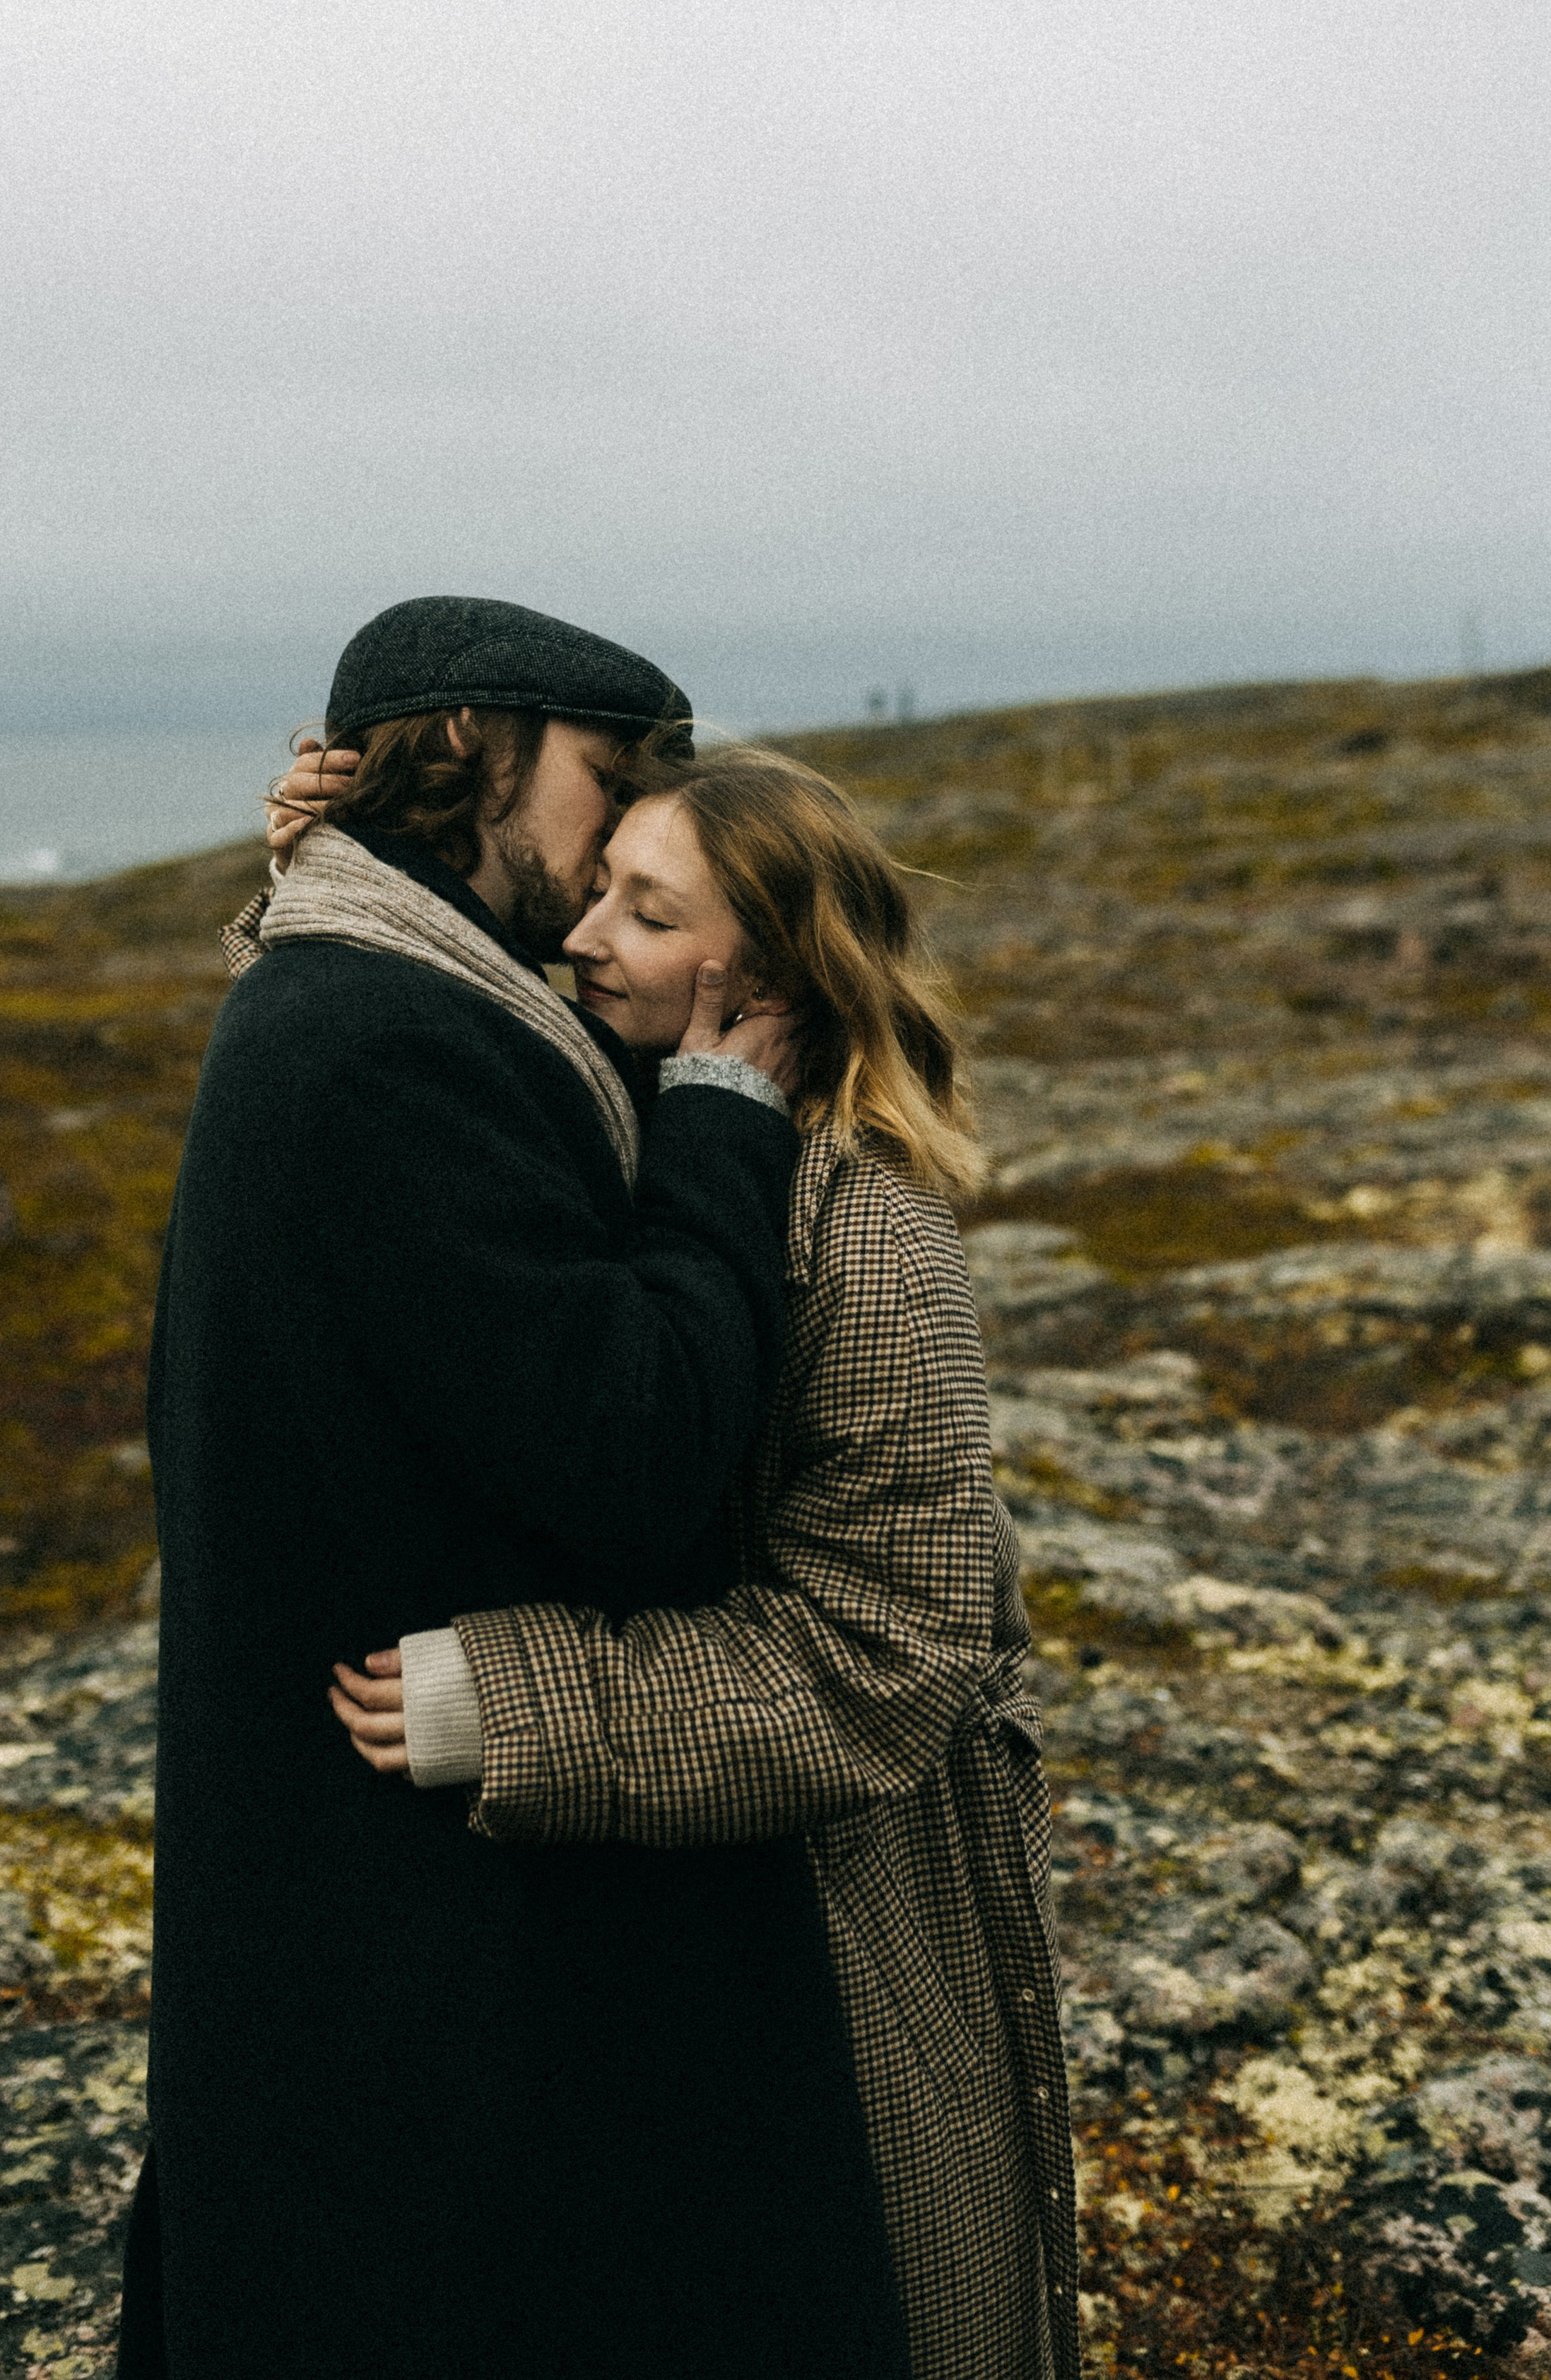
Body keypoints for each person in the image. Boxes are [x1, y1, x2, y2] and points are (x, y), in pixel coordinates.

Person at [117, 598, 909, 2380]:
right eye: (605, 777)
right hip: (436, 1917)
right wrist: (721, 1115)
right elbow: (634, 1449)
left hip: (412, 1880)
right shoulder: (389, 1040)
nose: (614, 836)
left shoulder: (367, 989)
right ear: (473, 742)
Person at [324, 745, 1082, 2380]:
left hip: (839, 1921)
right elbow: (389, 1026)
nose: (582, 935)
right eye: (598, 885)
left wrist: (520, 1706)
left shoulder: (862, 1230)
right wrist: (336, 845)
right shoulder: (616, 1118)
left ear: (771, 983)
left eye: (647, 914)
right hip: (664, 1918)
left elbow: (888, 1649)